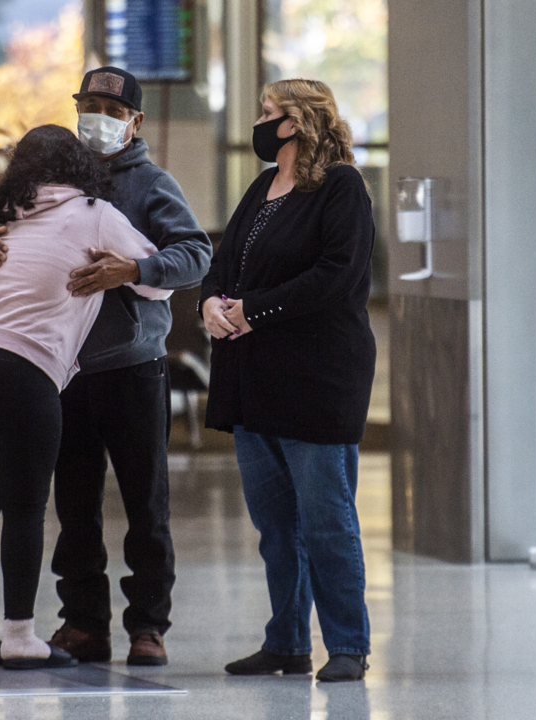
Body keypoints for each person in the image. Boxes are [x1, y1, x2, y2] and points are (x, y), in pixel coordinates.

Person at [0, 66, 210, 666]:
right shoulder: (44, 182)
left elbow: (195, 255)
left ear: (134, 122)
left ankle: (148, 627)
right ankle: (83, 622)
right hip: (60, 373)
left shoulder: (150, 185)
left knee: (146, 504)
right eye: (88, 104)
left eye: (111, 110)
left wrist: (134, 271)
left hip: (132, 368)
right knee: (74, 506)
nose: (98, 117)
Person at [200, 79, 377, 683]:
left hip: (316, 378)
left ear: (298, 122)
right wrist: (210, 304)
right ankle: (287, 643)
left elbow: (336, 274)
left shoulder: (342, 186)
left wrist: (253, 310)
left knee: (327, 520)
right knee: (276, 526)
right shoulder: (263, 185)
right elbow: (225, 262)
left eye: (267, 112)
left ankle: (349, 644)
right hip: (254, 380)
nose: (259, 121)